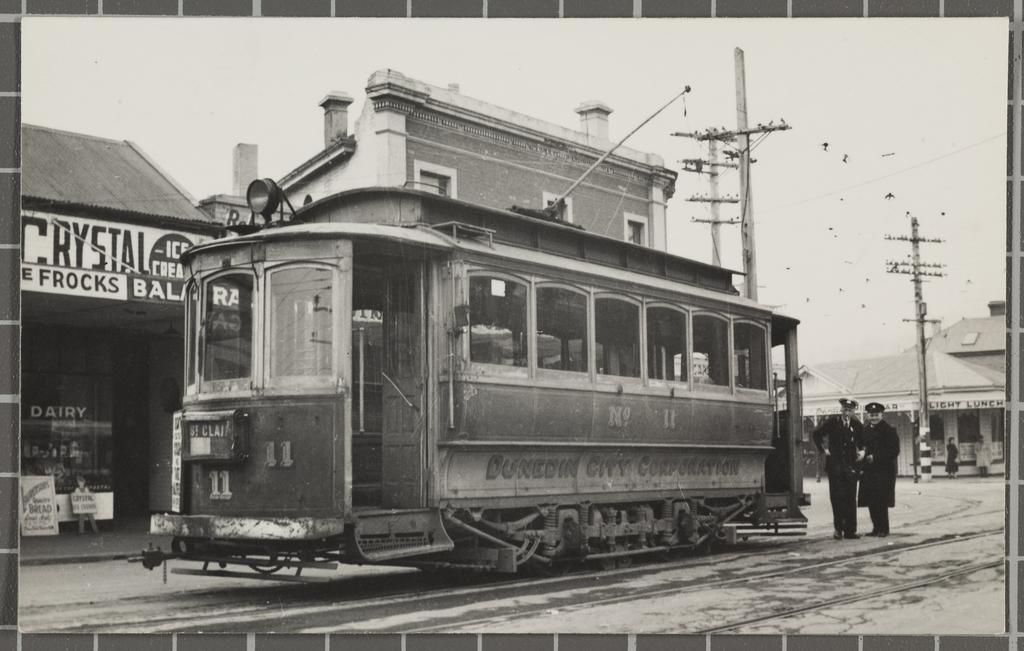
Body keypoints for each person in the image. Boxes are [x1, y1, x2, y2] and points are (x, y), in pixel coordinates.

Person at [813, 398, 866, 540]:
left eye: (849, 410)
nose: (846, 412)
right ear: (841, 410)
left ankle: (850, 531)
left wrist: (863, 451)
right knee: (836, 498)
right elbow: (816, 434)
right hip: (835, 467)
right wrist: (823, 449)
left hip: (851, 467)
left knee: (850, 498)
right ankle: (838, 530)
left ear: (853, 411)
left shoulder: (857, 425)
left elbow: (863, 442)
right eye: (844, 409)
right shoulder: (833, 423)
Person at [857, 402, 900, 537]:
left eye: (876, 415)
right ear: (868, 415)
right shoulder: (865, 430)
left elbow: (894, 451)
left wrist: (875, 457)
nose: (874, 417)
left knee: (881, 500)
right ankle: (875, 528)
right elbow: (861, 446)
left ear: (882, 415)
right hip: (869, 471)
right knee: (871, 500)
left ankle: (883, 529)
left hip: (884, 472)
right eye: (871, 415)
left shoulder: (888, 430)